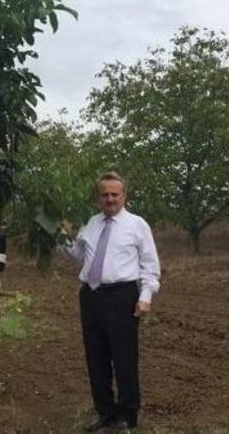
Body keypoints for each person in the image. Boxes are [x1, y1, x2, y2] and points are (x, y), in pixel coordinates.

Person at [65, 172, 161, 433]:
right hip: (91, 296)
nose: (109, 199)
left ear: (124, 196)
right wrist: (59, 236)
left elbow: (150, 264)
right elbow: (80, 256)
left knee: (124, 358)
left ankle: (127, 416)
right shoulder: (91, 223)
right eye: (104, 195)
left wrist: (145, 296)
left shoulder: (137, 225)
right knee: (95, 358)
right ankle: (105, 413)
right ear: (98, 198)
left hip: (121, 297)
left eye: (114, 194)